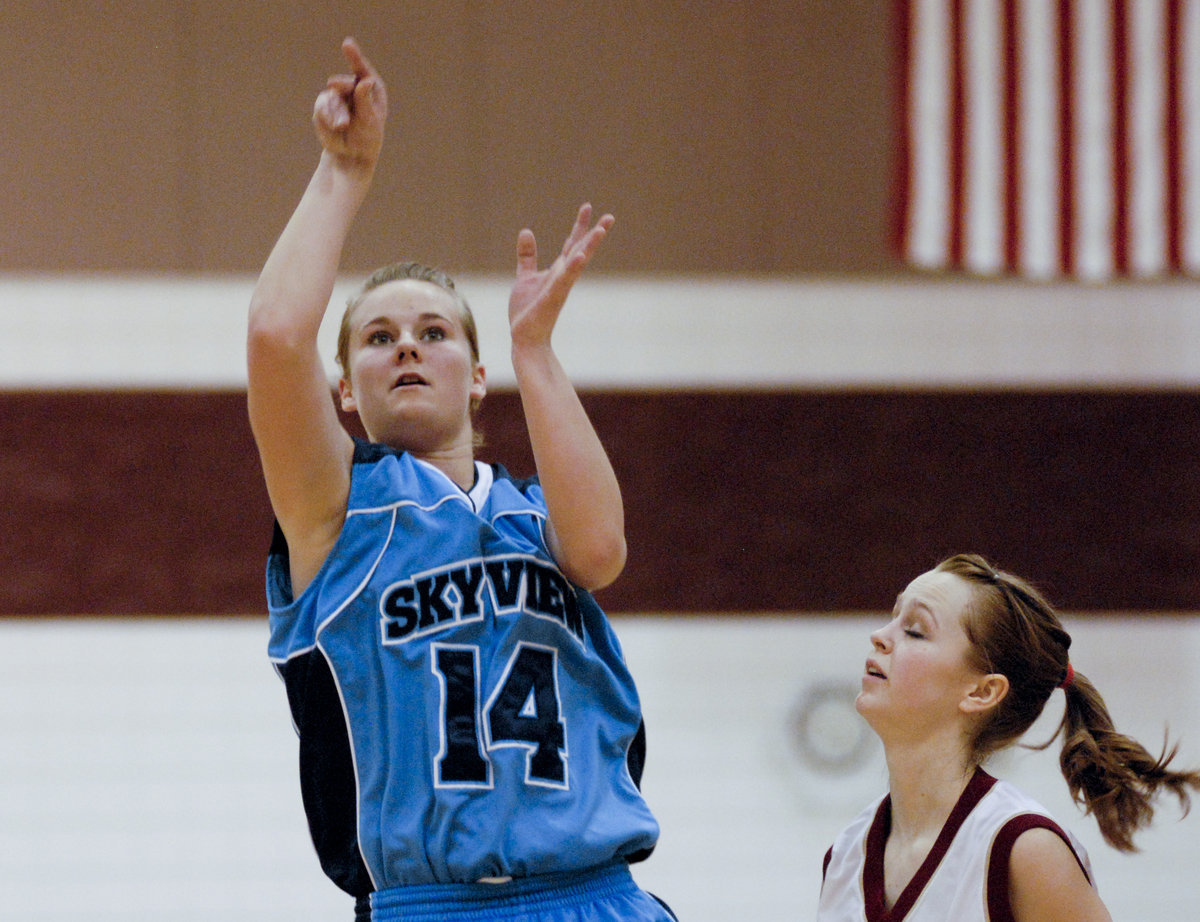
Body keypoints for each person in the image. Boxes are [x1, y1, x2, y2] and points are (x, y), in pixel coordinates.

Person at [247, 37, 675, 922]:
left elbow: (600, 553)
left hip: (597, 896)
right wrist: (344, 172)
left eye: (436, 331)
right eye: (378, 337)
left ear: (477, 377)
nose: (407, 343)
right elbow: (276, 335)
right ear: (345, 391)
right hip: (433, 904)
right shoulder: (336, 512)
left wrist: (535, 348)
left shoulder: (532, 516)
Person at [816, 553, 1200, 922]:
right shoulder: (847, 855)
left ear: (982, 692)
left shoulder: (1024, 849)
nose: (879, 636)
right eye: (892, 616)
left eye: (915, 630)